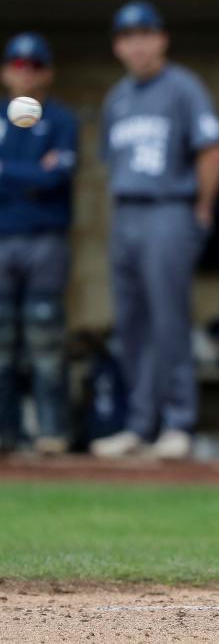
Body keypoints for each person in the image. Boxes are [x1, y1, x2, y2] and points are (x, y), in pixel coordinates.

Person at [90, 1, 219, 459]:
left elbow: (211, 150)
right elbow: (111, 164)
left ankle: (178, 422)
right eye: (129, 37)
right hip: (127, 211)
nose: (138, 44)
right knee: (130, 323)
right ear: (118, 46)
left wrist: (202, 209)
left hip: (170, 207)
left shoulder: (184, 88)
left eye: (146, 34)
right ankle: (139, 422)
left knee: (169, 319)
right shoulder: (117, 98)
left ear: (161, 39)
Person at [0, 33, 77, 454]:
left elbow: (57, 177)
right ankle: (4, 434)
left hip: (46, 241)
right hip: (2, 239)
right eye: (17, 65)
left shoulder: (61, 120)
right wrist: (32, 172)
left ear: (46, 73)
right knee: (2, 345)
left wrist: (7, 171)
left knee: (46, 342)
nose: (24, 74)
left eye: (33, 66)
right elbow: (41, 176)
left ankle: (53, 433)